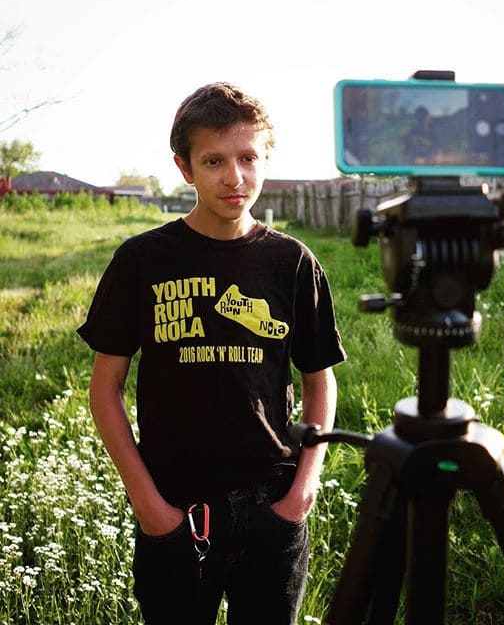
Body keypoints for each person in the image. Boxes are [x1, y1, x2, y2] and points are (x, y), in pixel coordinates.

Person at [77, 82, 346, 624]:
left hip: (272, 504)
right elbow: (105, 390)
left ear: (265, 159)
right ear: (185, 167)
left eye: (248, 158)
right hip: (175, 506)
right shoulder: (142, 260)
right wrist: (150, 507)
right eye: (214, 160)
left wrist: (301, 494)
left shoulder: (291, 262)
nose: (234, 177)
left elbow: (319, 380)